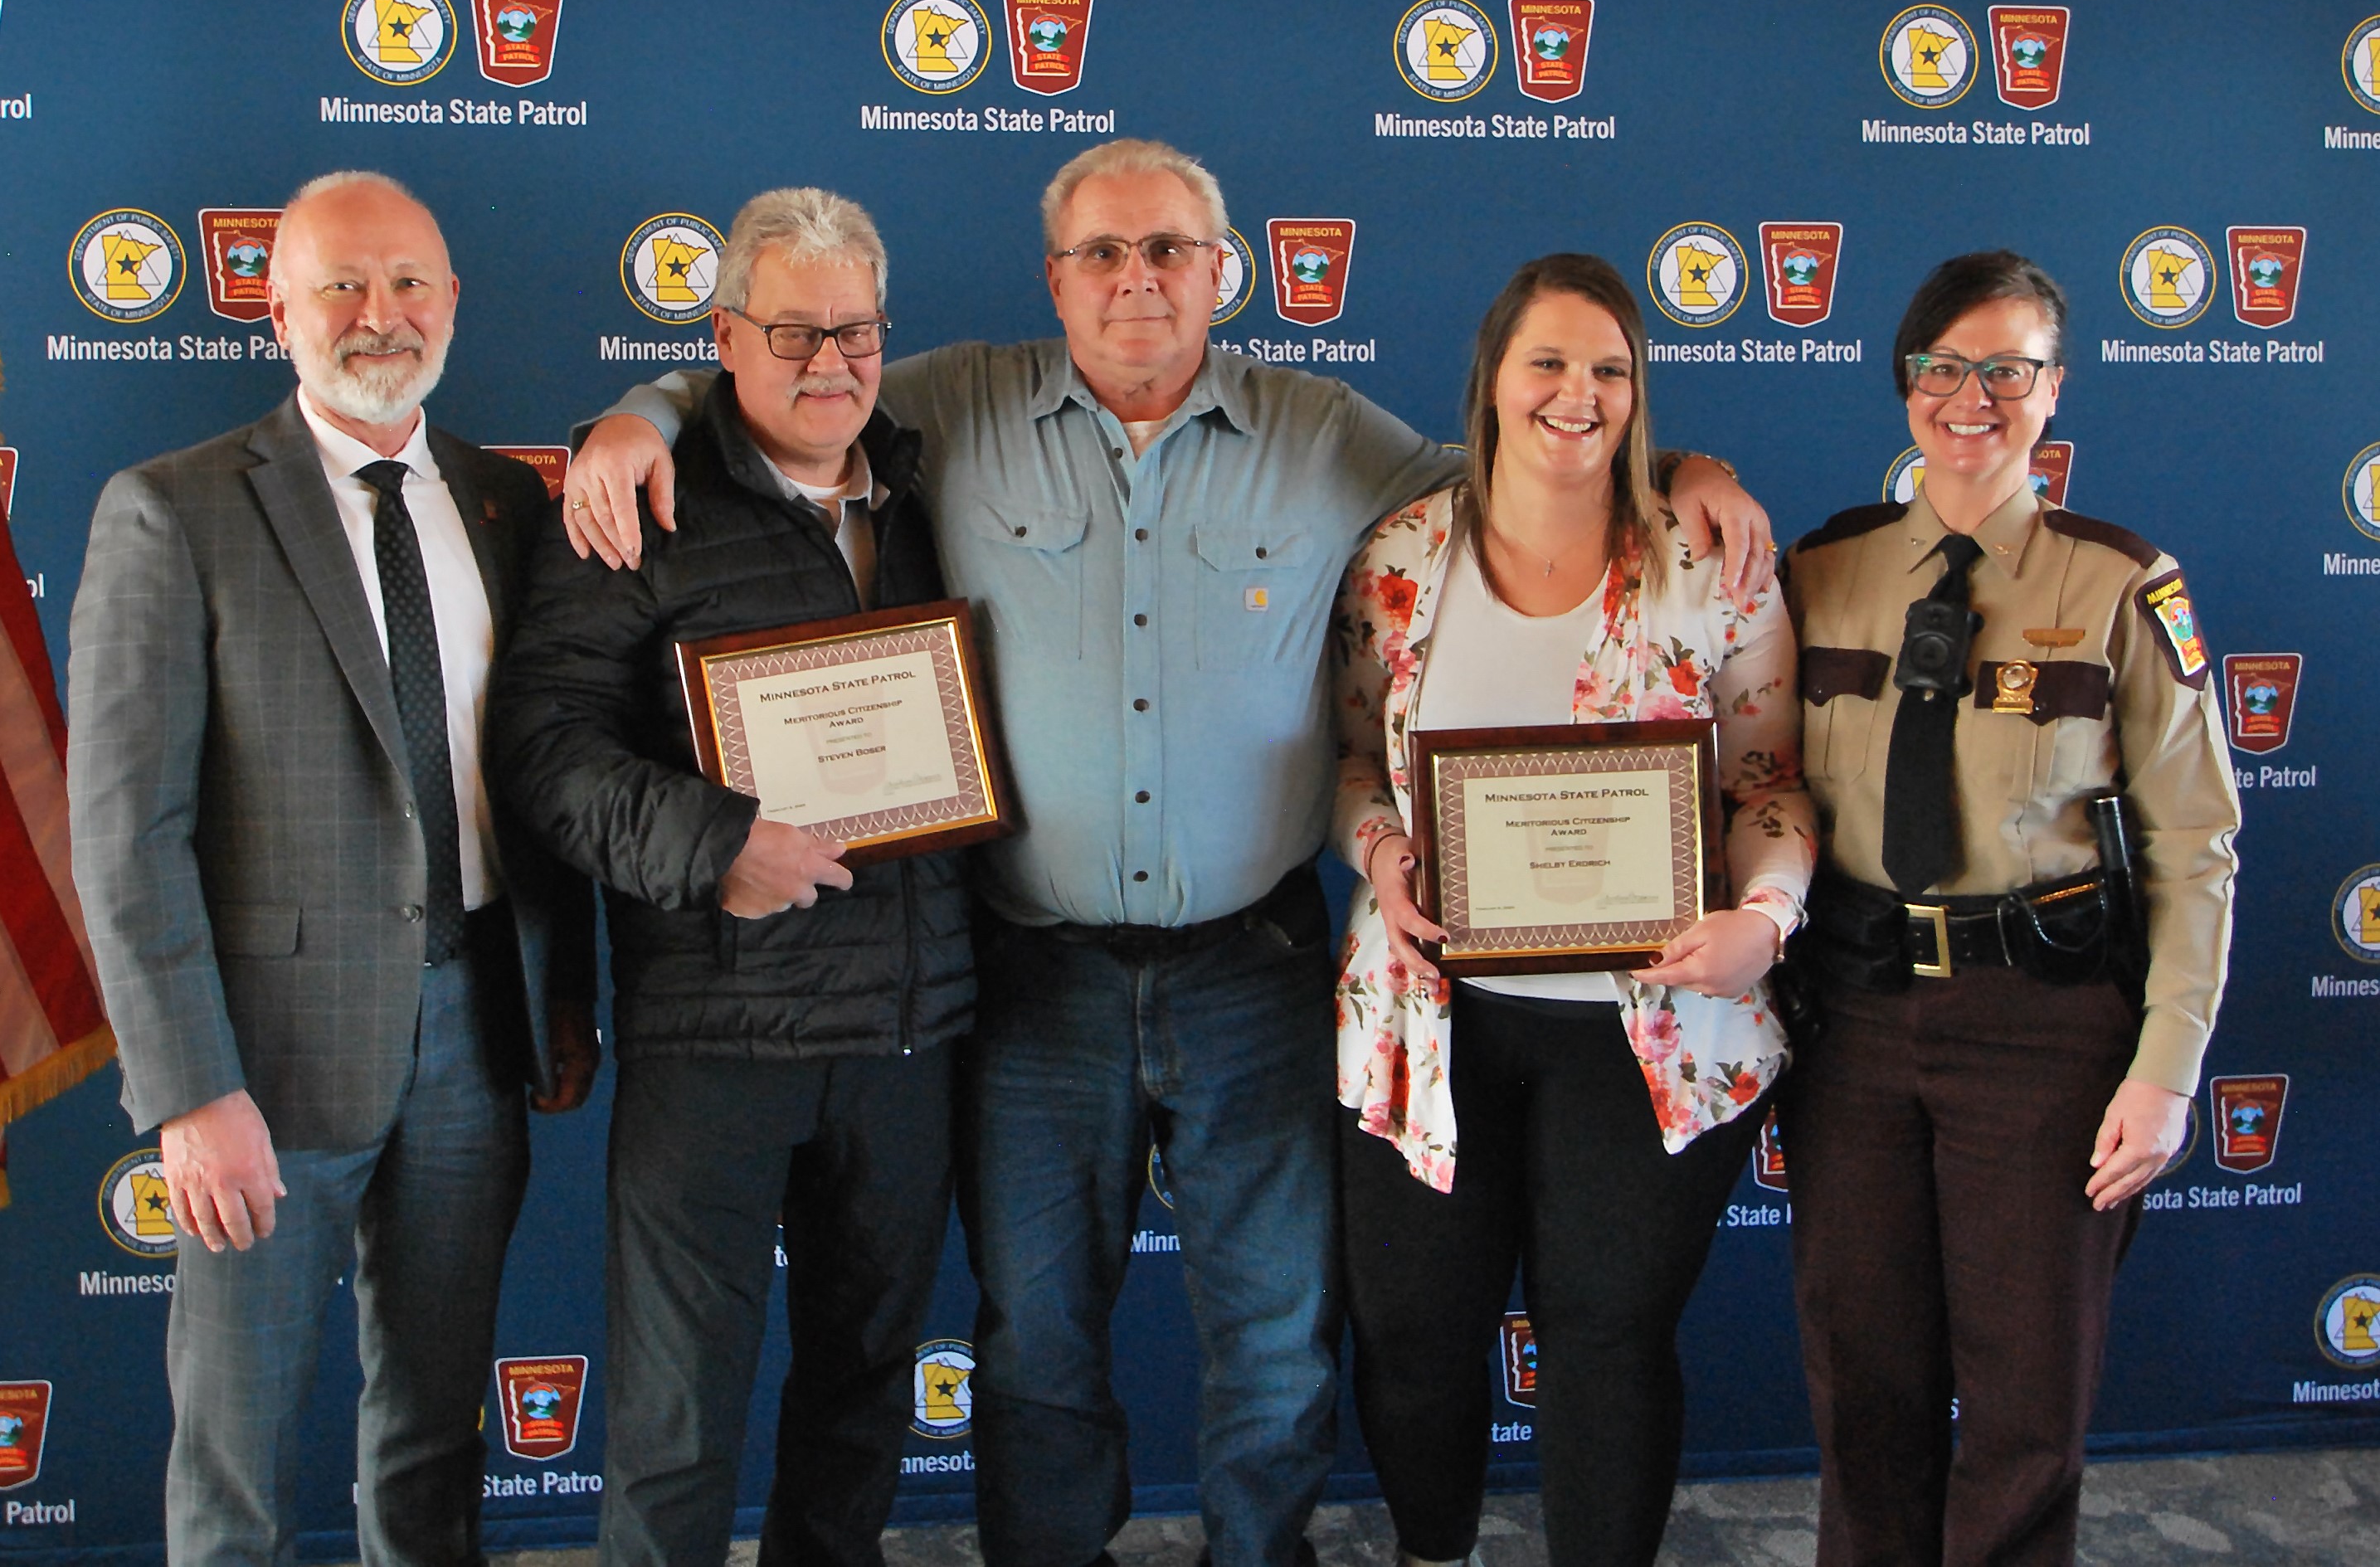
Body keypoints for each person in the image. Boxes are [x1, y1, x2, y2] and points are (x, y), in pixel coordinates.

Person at [560, 140, 1771, 1567]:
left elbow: (1534, 456)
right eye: (1101, 254)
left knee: (1272, 1339)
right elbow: (785, 383)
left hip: (1248, 971)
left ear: (1225, 271)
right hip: (1031, 982)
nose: (1135, 280)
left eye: (1169, 251)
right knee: (1037, 1344)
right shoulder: (949, 401)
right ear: (1054, 278)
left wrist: (1692, 461)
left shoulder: (1325, 431)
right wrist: (642, 413)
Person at [66, 170, 598, 1567]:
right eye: (344, 286)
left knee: (434, 1435)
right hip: (262, 1069)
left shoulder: (504, 506)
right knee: (235, 1449)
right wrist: (190, 1092)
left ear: (452, 304)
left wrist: (561, 998)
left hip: (478, 1039)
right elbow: (127, 834)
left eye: (410, 283)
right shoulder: (171, 512)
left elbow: (544, 781)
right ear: (275, 308)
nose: (382, 315)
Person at [488, 188, 974, 1567]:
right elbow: (542, 745)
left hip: (908, 1027)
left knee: (867, 1395)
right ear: (723, 338)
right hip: (719, 1032)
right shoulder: (637, 501)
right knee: (678, 1415)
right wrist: (713, 848)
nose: (831, 362)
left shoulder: (941, 489)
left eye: (857, 331)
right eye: (792, 332)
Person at [1329, 254, 1814, 1567]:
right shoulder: (1400, 558)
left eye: (1609, 368)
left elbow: (1770, 780)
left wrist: (1764, 918)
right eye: (1546, 361)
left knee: (1605, 1340)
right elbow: (1351, 763)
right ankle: (1433, 1553)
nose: (1576, 392)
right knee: (1417, 1339)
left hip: (1649, 1029)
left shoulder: (1711, 563)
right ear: (1491, 379)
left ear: (1639, 392)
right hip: (1431, 1021)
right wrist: (1378, 855)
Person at [1780, 251, 2241, 1566]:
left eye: (2007, 369)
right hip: (1856, 1019)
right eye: (1942, 366)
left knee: (2026, 1407)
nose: (1969, 396)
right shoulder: (1821, 570)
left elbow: (2195, 842)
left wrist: (2166, 1069)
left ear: (2054, 391)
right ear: (1903, 384)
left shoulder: (2118, 585)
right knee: (1861, 1386)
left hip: (2043, 1028)